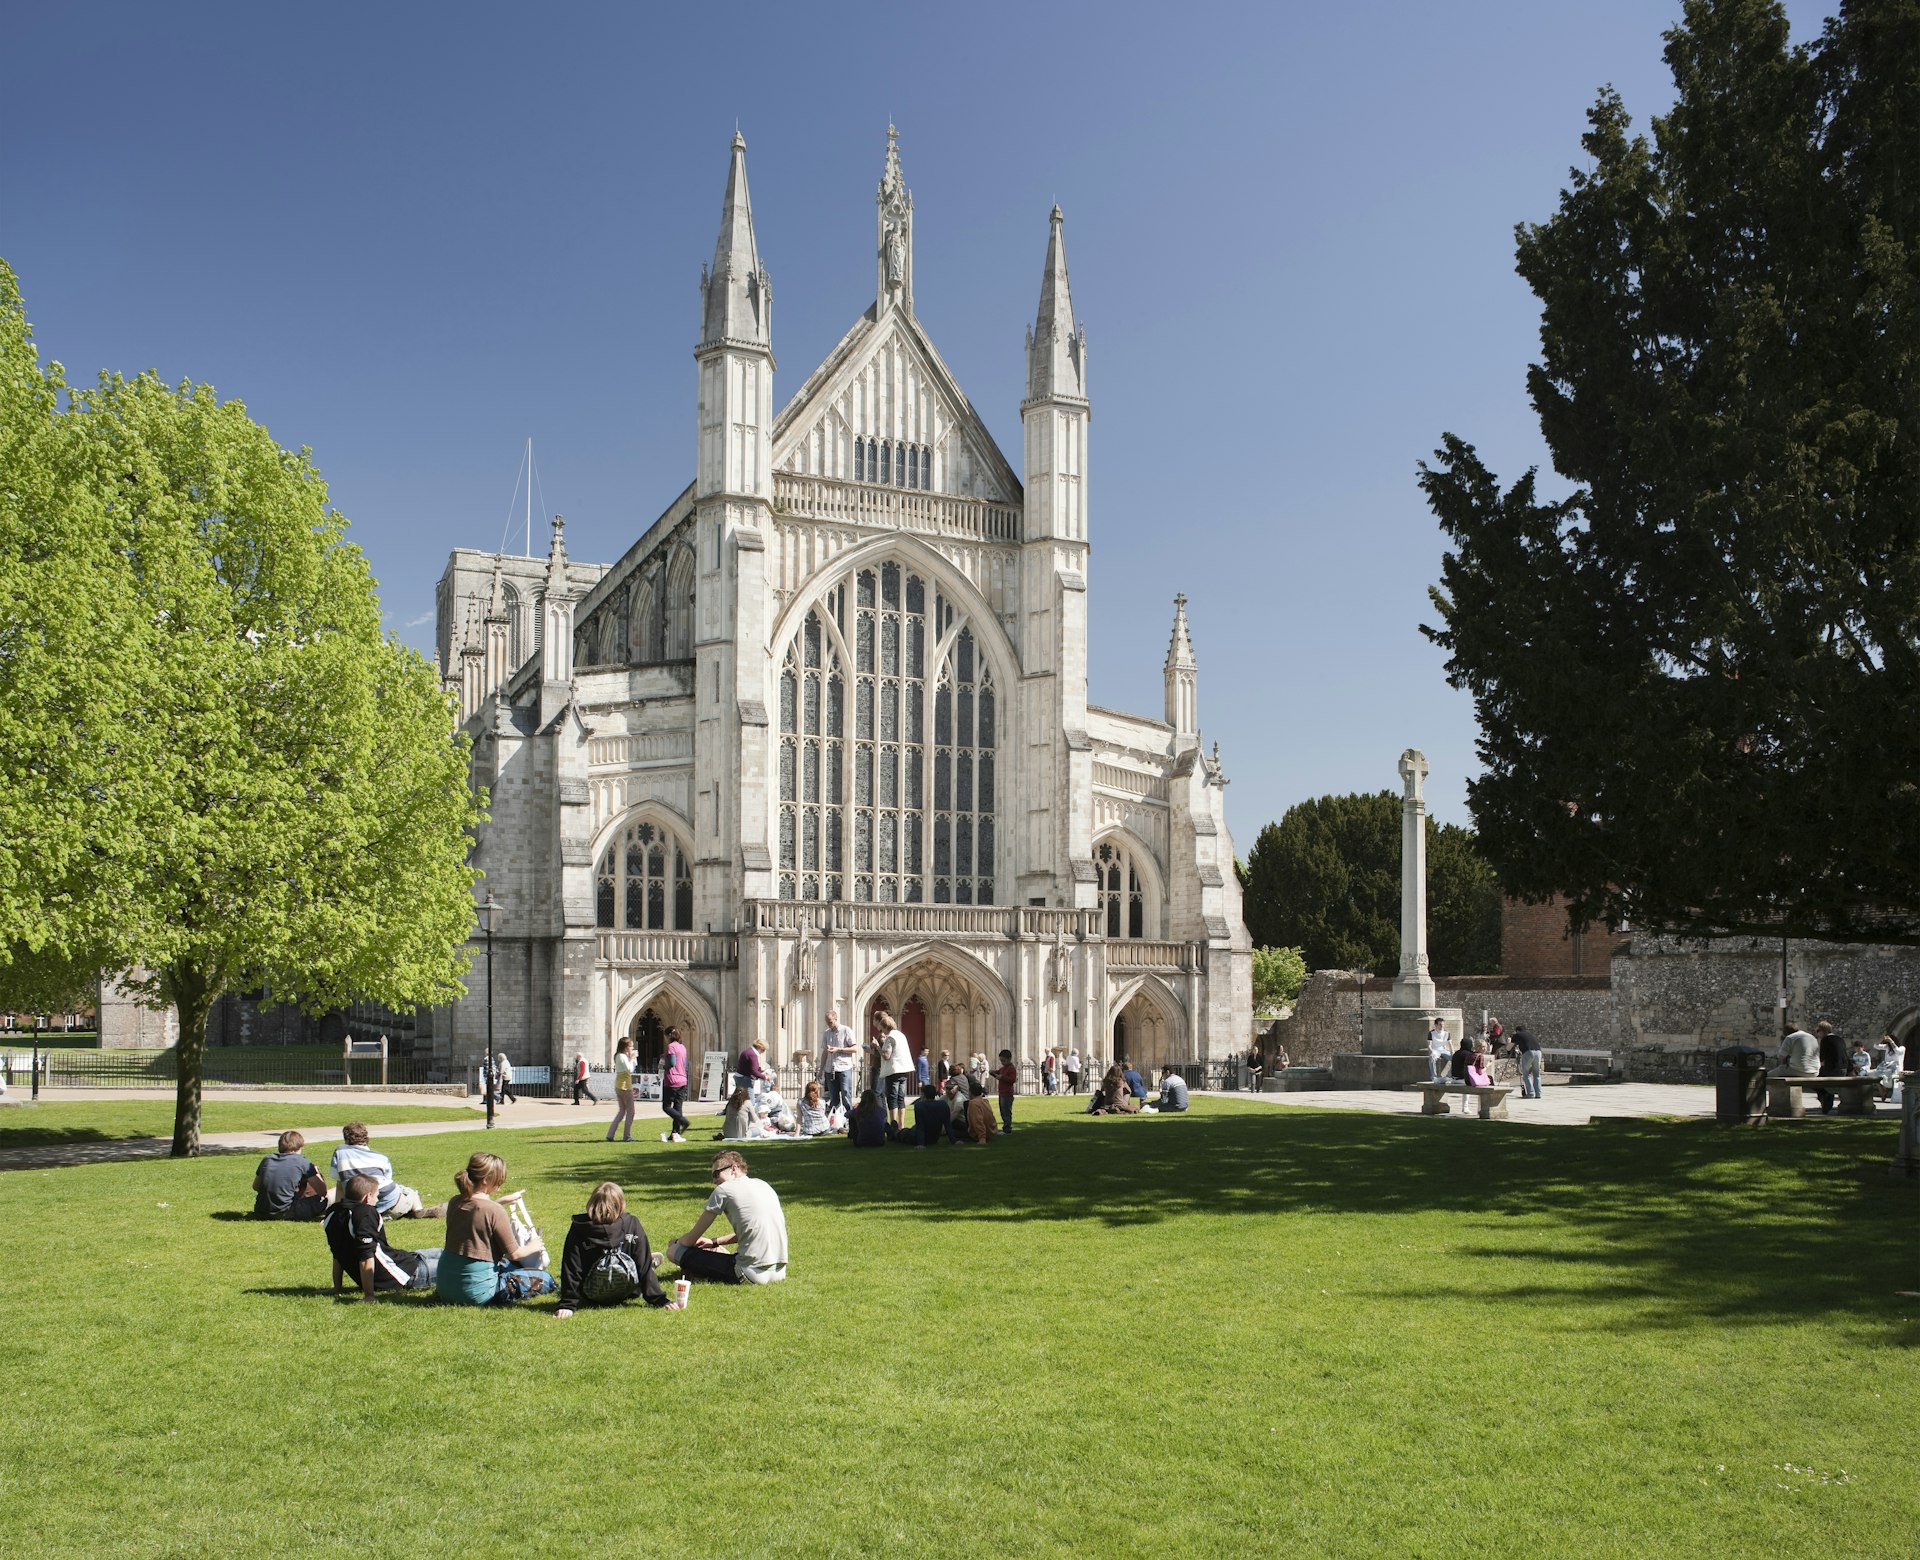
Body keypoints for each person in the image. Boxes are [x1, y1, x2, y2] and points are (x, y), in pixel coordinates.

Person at [435, 1152, 555, 1306]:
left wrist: (500, 1202)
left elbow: (478, 1215)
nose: (501, 1182)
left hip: (446, 1287)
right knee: (544, 1279)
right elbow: (515, 1253)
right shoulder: (494, 1210)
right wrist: (534, 1245)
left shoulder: (455, 1202)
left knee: (508, 1266)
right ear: (486, 1180)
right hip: (477, 1294)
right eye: (499, 1178)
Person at [666, 1150, 789, 1285]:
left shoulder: (724, 1190)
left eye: (716, 1174)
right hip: (779, 1271)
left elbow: (690, 1240)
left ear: (733, 1169)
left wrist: (676, 1242)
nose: (714, 1181)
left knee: (675, 1250)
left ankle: (692, 1271)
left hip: (748, 1273)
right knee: (713, 1249)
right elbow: (753, 1230)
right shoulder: (764, 1185)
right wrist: (714, 1242)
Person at [555, 1181, 671, 1318]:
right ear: (621, 1204)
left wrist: (568, 1304)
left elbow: (572, 1267)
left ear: (592, 1202)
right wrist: (659, 1299)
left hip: (591, 1295)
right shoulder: (631, 1223)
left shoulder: (580, 1228)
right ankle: (653, 1262)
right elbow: (643, 1264)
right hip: (628, 1291)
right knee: (646, 1260)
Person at [325, 1174, 440, 1298]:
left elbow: (337, 1253)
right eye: (376, 1195)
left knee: (447, 1253)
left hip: (403, 1260)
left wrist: (337, 1287)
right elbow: (366, 1257)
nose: (378, 1199)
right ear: (367, 1197)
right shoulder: (365, 1214)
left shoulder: (333, 1213)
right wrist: (369, 1295)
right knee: (457, 1264)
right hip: (403, 1275)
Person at [330, 1122, 438, 1219]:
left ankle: (387, 1213)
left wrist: (336, 1212)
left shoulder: (340, 1152)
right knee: (409, 1192)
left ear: (346, 1138)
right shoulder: (381, 1157)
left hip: (362, 1206)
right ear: (366, 1138)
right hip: (391, 1200)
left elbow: (340, 1186)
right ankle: (417, 1209)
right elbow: (387, 1179)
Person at [254, 1130, 330, 1221]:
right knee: (325, 1200)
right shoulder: (302, 1161)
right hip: (286, 1211)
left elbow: (256, 1186)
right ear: (299, 1146)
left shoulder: (267, 1159)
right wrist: (316, 1172)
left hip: (261, 1211)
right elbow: (323, 1192)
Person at [872, 1007, 915, 1130]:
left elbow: (886, 1055)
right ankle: (901, 1125)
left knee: (892, 1098)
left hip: (894, 1071)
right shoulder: (901, 1035)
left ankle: (894, 1125)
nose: (882, 1032)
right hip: (904, 1070)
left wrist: (877, 1047)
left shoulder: (890, 1037)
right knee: (901, 1098)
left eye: (882, 1029)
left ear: (885, 1027)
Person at [821, 1008, 858, 1117]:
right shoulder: (826, 1033)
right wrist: (821, 1070)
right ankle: (836, 1120)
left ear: (836, 1019)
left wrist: (839, 1049)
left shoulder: (846, 1030)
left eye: (830, 1022)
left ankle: (850, 1119)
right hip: (830, 1068)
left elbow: (855, 1048)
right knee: (833, 1097)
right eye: (827, 1022)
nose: (828, 1024)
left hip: (844, 1067)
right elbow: (824, 1052)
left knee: (846, 1094)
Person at [659, 1026, 690, 1143]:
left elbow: (672, 1063)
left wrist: (663, 1066)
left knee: (666, 1106)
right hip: (683, 1079)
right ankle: (675, 1134)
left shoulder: (671, 1047)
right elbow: (684, 1063)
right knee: (678, 1107)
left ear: (668, 1036)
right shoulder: (683, 1047)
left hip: (672, 1080)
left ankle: (683, 1121)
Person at [607, 1037, 638, 1142]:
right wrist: (632, 1058)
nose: (632, 1048)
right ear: (625, 1047)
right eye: (631, 1046)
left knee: (621, 1112)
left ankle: (610, 1134)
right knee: (631, 1112)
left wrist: (631, 1058)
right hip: (625, 1086)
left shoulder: (619, 1056)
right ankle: (627, 1136)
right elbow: (629, 1069)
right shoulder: (621, 1056)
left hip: (620, 1085)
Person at [912, 1081, 950, 1146]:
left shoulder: (919, 1105)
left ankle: (892, 1130)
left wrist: (921, 1144)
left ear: (923, 1094)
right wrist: (953, 1140)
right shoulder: (943, 1104)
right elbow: (948, 1125)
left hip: (916, 1137)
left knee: (903, 1133)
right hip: (935, 1138)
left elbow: (920, 1126)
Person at [1513, 1025, 1543, 1100]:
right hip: (1538, 1052)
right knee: (1536, 1074)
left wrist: (1509, 1041)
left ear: (1517, 1031)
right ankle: (1538, 1093)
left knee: (1526, 1074)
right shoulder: (1530, 1035)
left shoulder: (1517, 1035)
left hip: (1528, 1052)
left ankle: (1530, 1093)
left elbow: (1509, 1047)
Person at [994, 1048, 1019, 1134]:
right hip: (1002, 1093)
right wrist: (992, 1072)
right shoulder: (1003, 1068)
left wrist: (1002, 1077)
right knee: (1002, 1111)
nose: (1002, 1062)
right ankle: (1005, 1127)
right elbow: (998, 1072)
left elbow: (1012, 1079)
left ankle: (1007, 1129)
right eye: (1001, 1060)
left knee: (1006, 1112)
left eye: (1003, 1060)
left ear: (1009, 1059)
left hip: (1007, 1093)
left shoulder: (1011, 1068)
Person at [1426, 1019, 1453, 1085]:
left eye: (1443, 1024)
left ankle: (1450, 1075)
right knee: (1432, 1057)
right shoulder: (1431, 1033)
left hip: (1443, 1050)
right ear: (1436, 1025)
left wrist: (1453, 1051)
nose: (1442, 1026)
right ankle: (1434, 1077)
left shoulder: (1447, 1033)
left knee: (1454, 1058)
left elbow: (1450, 1044)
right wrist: (1432, 1051)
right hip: (1435, 1050)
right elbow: (1429, 1045)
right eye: (1440, 1024)